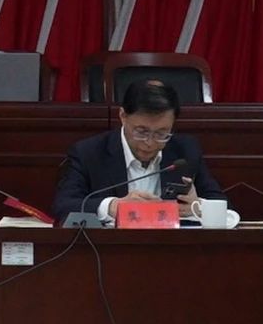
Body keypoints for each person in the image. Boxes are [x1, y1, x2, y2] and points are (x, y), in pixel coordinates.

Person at [52, 78, 229, 223]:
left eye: (161, 133)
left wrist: (198, 207)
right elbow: (63, 206)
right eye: (141, 132)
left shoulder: (186, 151)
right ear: (123, 116)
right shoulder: (89, 152)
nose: (149, 143)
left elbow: (224, 206)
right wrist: (112, 206)